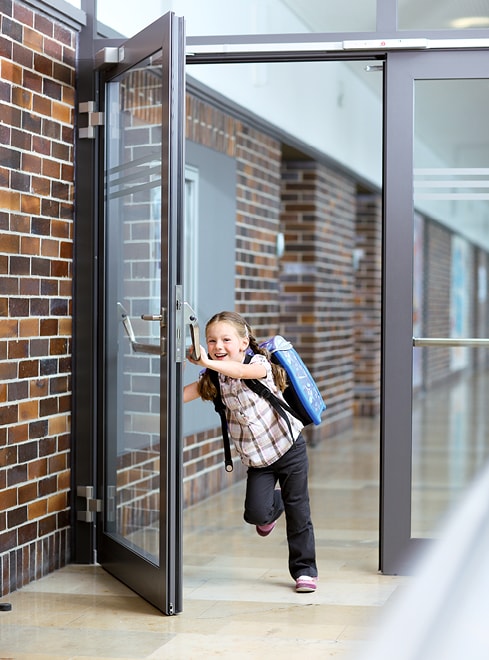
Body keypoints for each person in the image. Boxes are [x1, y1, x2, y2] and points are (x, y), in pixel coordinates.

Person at [184, 310, 318, 593]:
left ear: (244, 342)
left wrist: (207, 361)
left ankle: (304, 570)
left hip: (289, 447)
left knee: (299, 512)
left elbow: (242, 373)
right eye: (211, 341)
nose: (218, 346)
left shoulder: (259, 363)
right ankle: (273, 506)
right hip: (259, 460)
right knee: (256, 514)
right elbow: (183, 394)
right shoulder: (213, 378)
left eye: (226, 340)